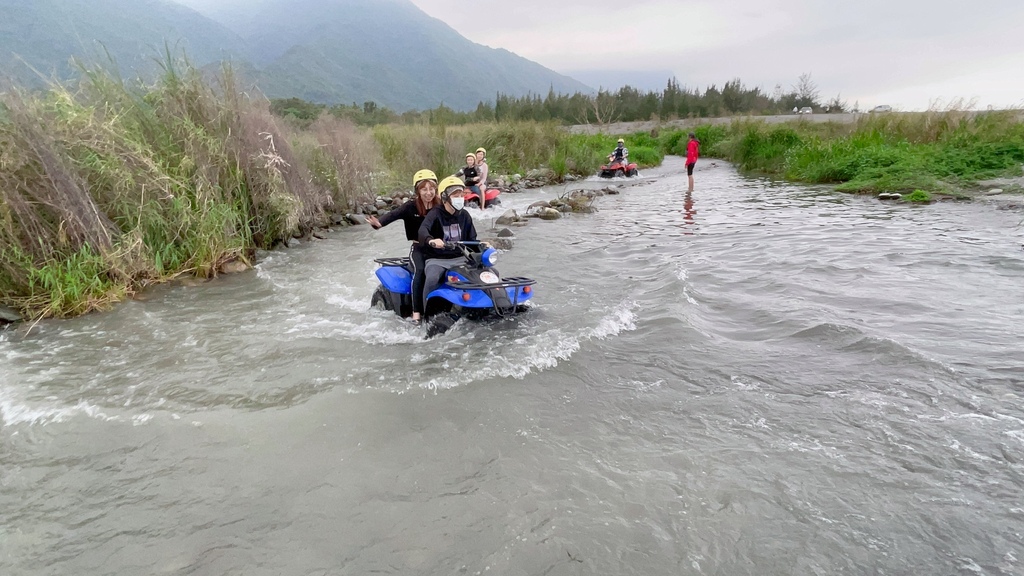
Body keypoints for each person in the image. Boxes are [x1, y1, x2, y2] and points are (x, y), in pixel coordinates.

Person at [366, 168, 440, 323]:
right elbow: (393, 215)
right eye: (424, 189)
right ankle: (416, 314)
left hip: (439, 249)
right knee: (420, 271)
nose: (428, 193)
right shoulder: (410, 207)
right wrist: (378, 223)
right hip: (419, 249)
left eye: (431, 188)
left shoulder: (440, 206)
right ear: (418, 191)